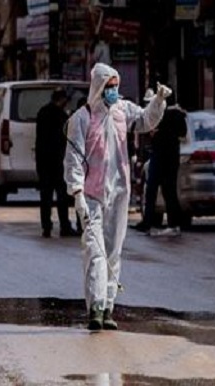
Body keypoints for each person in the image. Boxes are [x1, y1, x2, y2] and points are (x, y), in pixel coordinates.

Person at [64, 63, 169, 331]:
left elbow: (145, 121)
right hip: (91, 195)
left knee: (113, 252)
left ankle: (108, 307)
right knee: (95, 251)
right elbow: (73, 159)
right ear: (98, 87)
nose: (113, 91)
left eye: (115, 86)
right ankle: (95, 308)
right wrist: (77, 192)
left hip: (119, 192)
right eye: (108, 87)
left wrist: (158, 102)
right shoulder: (82, 119)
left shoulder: (123, 110)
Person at [134, 92, 188, 236]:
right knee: (166, 190)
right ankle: (169, 223)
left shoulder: (167, 115)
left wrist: (158, 131)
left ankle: (152, 223)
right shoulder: (177, 115)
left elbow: (155, 131)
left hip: (162, 156)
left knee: (155, 189)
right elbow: (182, 133)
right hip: (169, 156)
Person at [35, 88, 78, 238]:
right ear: (62, 100)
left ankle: (46, 227)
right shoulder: (61, 115)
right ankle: (64, 226)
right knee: (62, 195)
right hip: (57, 161)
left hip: (43, 160)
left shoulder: (42, 112)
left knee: (46, 196)